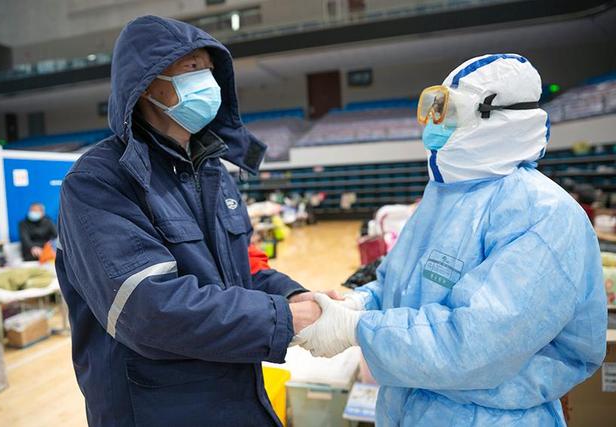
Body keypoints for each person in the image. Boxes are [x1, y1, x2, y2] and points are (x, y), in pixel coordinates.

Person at [295, 54, 607, 426]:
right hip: (406, 409)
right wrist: (359, 303)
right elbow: (401, 285)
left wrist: (356, 329)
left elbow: (475, 345)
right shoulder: (443, 198)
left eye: (450, 112)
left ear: (494, 116)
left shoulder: (545, 216)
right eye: (435, 110)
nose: (436, 125)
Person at [56, 15, 334, 427]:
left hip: (234, 394)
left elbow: (241, 271)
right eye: (191, 68)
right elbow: (148, 310)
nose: (208, 80)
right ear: (149, 83)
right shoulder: (100, 181)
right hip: (158, 409)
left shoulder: (212, 172)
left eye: (210, 69)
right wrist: (282, 319)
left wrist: (296, 296)